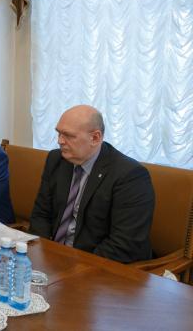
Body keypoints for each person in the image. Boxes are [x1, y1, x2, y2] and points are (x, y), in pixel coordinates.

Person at [28, 105, 155, 263]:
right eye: (59, 133)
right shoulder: (56, 160)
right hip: (54, 257)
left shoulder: (130, 176)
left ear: (95, 138)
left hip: (97, 264)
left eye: (68, 135)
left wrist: (77, 265)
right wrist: (44, 253)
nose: (60, 141)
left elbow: (124, 244)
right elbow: (41, 214)